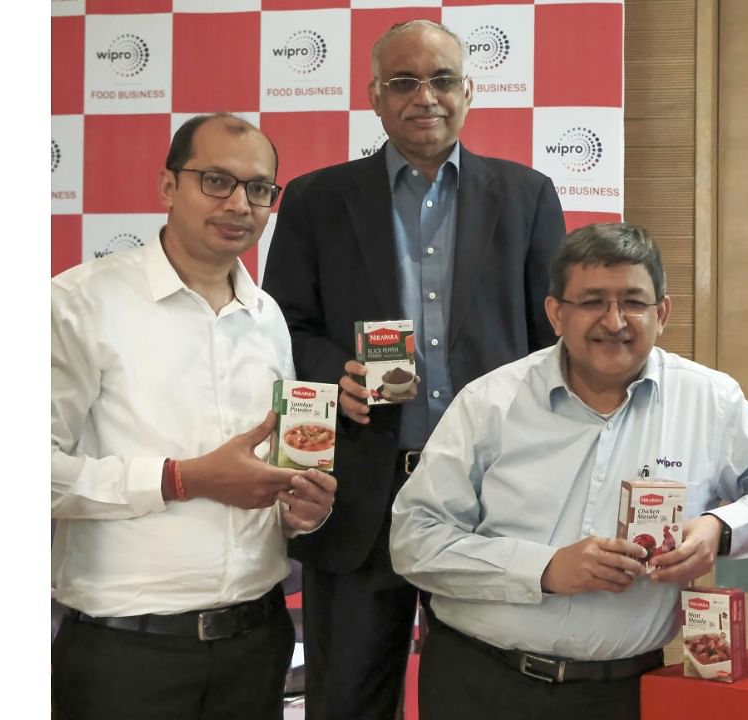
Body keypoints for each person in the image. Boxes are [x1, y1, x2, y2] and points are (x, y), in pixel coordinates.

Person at [389, 222, 748, 720]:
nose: (615, 320)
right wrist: (544, 569)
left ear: (661, 312)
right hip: (478, 685)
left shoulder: (709, 402)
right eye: (592, 301)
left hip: (622, 695)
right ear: (556, 313)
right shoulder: (489, 402)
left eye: (633, 301)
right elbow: (414, 540)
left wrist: (719, 529)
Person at [260, 18, 565, 720]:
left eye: (441, 79)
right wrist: (333, 370)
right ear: (373, 96)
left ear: (469, 91)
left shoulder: (527, 194)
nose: (423, 96)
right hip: (361, 488)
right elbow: (282, 326)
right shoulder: (316, 199)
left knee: (481, 698)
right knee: (349, 699)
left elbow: (555, 334)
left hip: (491, 496)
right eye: (403, 81)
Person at [51, 113, 337, 720]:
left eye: (259, 189)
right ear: (166, 187)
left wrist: (300, 512)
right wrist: (184, 477)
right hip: (127, 654)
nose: (239, 203)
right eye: (215, 180)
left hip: (257, 645)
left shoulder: (268, 317)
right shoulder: (78, 303)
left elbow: (261, 473)